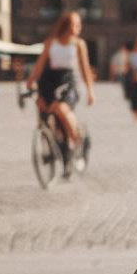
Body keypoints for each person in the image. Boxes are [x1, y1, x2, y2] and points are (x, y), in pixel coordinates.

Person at [23, 11, 96, 174]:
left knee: (61, 109)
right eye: (75, 24)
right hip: (50, 81)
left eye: (79, 25)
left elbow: (85, 69)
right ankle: (59, 152)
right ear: (65, 25)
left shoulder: (79, 44)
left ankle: (79, 141)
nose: (78, 28)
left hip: (69, 81)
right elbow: (40, 65)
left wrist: (90, 90)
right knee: (49, 119)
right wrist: (30, 82)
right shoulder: (51, 43)